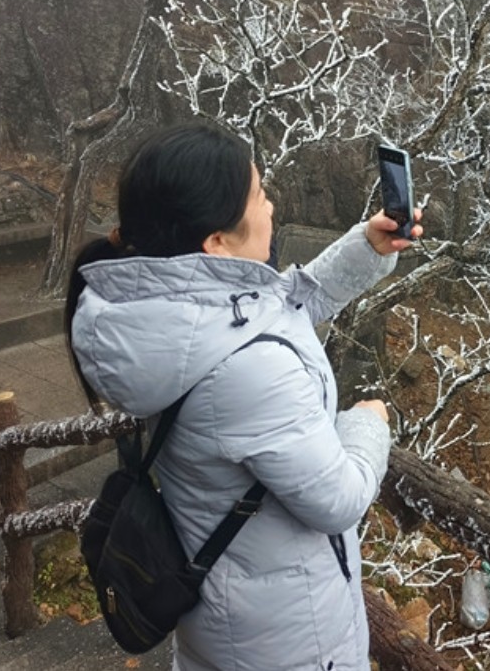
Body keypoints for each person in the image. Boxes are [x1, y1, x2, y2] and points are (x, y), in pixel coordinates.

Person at [65, 122, 421, 670]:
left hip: (226, 619)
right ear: (216, 242)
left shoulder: (167, 318)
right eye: (259, 195)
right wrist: (368, 421)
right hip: (286, 639)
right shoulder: (248, 371)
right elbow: (338, 500)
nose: (271, 205)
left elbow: (277, 309)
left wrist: (365, 250)